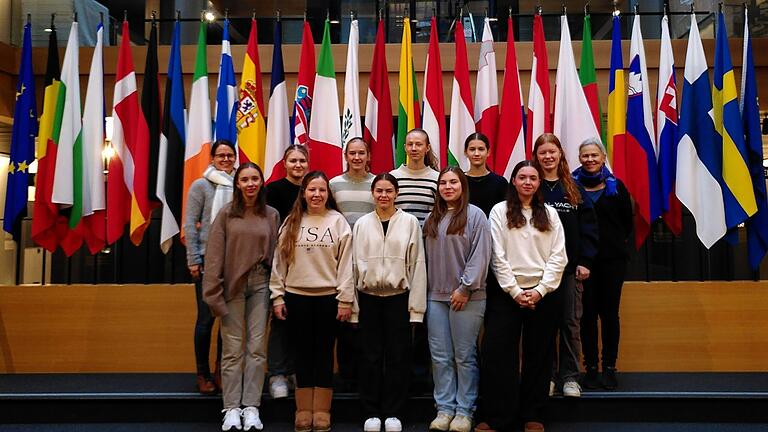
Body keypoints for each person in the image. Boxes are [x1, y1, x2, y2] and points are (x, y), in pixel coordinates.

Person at [475, 160, 567, 432]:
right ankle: (497, 416)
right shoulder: (499, 211)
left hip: (543, 295)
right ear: (513, 181)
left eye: (533, 178)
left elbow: (558, 257)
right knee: (497, 355)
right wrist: (515, 291)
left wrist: (539, 291)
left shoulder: (550, 214)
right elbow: (496, 256)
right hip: (507, 294)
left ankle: (532, 414)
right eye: (522, 177)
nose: (528, 182)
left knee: (539, 356)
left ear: (539, 183)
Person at [270, 171, 354, 432]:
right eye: (311, 190)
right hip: (297, 298)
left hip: (328, 299)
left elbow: (347, 265)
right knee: (302, 354)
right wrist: (277, 296)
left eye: (321, 190)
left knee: (323, 355)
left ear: (328, 194)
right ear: (303, 193)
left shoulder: (338, 222)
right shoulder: (292, 222)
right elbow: (278, 264)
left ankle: (322, 410)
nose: (316, 194)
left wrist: (345, 299)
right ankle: (303, 409)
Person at [203, 162, 280, 432]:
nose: (250, 184)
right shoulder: (226, 214)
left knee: (257, 349)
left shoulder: (271, 214)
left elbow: (277, 255)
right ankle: (231, 407)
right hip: (233, 287)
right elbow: (213, 258)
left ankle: (251, 406)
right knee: (233, 350)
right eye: (245, 179)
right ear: (237, 183)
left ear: (261, 183)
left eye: (255, 179)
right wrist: (213, 293)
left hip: (261, 284)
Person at [351, 173, 427, 432]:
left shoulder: (409, 223)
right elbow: (352, 266)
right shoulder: (361, 224)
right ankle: (371, 411)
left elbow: (418, 266)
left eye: (388, 191)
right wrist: (353, 307)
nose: (383, 195)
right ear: (372, 194)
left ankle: (394, 411)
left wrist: (416, 310)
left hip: (399, 299)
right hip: (369, 299)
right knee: (370, 356)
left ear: (396, 194)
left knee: (398, 357)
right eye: (379, 191)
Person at [424, 167, 492, 432]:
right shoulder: (433, 216)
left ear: (463, 186)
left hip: (468, 297)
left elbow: (481, 255)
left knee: (464, 355)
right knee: (440, 356)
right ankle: (444, 408)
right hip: (435, 297)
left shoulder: (475, 215)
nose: (448, 187)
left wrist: (465, 288)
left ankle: (464, 410)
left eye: (453, 182)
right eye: (443, 183)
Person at [532, 133, 598, 398]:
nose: (548, 157)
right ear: (536, 156)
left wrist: (585, 261)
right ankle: (546, 376)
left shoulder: (573, 187)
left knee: (570, 323)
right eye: (542, 152)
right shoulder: (530, 185)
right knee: (542, 325)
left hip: (569, 271)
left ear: (560, 154)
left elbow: (589, 228)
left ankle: (570, 377)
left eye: (552, 152)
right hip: (536, 271)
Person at [573, 139, 633, 390]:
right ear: (579, 157)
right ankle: (591, 369)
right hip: (583, 264)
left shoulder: (616, 187)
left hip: (611, 262)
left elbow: (627, 224)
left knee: (609, 315)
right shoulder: (571, 188)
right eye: (585, 155)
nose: (589, 159)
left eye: (594, 155)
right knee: (586, 316)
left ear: (603, 156)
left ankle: (609, 367)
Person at [183, 139, 236, 395]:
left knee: (228, 319)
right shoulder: (201, 186)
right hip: (206, 262)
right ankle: (202, 373)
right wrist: (193, 259)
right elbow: (190, 224)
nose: (226, 159)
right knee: (206, 320)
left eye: (230, 155)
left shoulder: (241, 184)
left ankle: (220, 370)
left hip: (234, 263)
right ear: (212, 159)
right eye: (221, 155)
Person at [329, 137, 376, 390]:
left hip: (370, 261)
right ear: (345, 156)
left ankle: (366, 376)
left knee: (367, 320)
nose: (357, 158)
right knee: (344, 319)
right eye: (352, 153)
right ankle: (346, 375)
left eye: (361, 153)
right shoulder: (333, 185)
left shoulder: (377, 184)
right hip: (340, 261)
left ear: (368, 156)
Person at [265, 144, 309, 399]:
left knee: (300, 323)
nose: (298, 165)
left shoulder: (312, 191)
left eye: (302, 160)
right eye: (293, 160)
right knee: (280, 321)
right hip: (280, 264)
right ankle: (277, 374)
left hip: (307, 267)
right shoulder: (273, 190)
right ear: (284, 163)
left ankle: (294, 370)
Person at [391, 128, 440, 227]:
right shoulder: (392, 177)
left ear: (427, 148)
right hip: (398, 236)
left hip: (427, 237)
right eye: (410, 144)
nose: (414, 148)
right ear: (405, 148)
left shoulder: (438, 178)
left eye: (419, 144)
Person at [463, 132, 508, 216]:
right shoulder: (459, 181)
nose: (476, 153)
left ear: (488, 152)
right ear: (466, 152)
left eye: (481, 149)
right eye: (472, 149)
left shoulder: (500, 183)